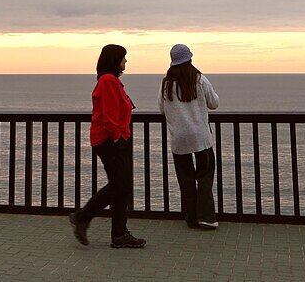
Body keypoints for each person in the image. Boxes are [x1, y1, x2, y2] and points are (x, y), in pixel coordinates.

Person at [69, 44, 146, 249]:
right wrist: (117, 139)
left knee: (121, 186)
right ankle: (83, 217)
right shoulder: (108, 81)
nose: (126, 62)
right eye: (123, 58)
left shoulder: (111, 81)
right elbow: (109, 114)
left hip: (114, 139)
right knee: (120, 185)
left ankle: (119, 234)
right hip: (110, 141)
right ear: (114, 60)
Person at [159, 43, 220, 230]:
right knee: (205, 175)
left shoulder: (167, 83)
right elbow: (214, 103)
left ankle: (191, 218)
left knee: (185, 179)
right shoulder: (199, 79)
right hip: (200, 137)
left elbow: (162, 109)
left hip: (179, 138)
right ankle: (207, 217)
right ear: (190, 59)